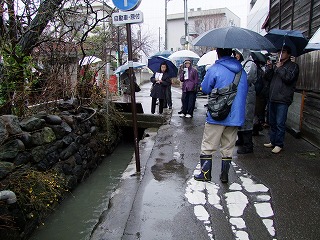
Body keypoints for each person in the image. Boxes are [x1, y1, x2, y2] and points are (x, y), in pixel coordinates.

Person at [193, 48, 248, 183]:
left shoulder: (214, 69)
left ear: (218, 53)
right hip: (235, 116)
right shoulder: (242, 71)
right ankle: (224, 175)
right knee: (228, 147)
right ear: (231, 53)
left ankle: (206, 174)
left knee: (208, 145)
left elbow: (205, 88)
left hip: (217, 114)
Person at [263, 45, 299, 154]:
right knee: (272, 122)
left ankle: (279, 144)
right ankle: (273, 141)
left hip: (283, 99)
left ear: (288, 54)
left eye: (283, 52)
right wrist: (270, 68)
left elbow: (289, 79)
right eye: (279, 52)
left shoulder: (293, 66)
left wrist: (280, 68)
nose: (280, 54)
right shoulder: (276, 66)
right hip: (273, 97)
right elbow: (268, 79)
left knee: (280, 122)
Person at [234, 49, 257, 154]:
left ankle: (248, 145)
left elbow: (247, 79)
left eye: (238, 53)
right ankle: (241, 139)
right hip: (241, 94)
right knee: (240, 116)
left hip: (247, 95)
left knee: (247, 117)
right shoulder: (240, 63)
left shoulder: (251, 64)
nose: (236, 55)